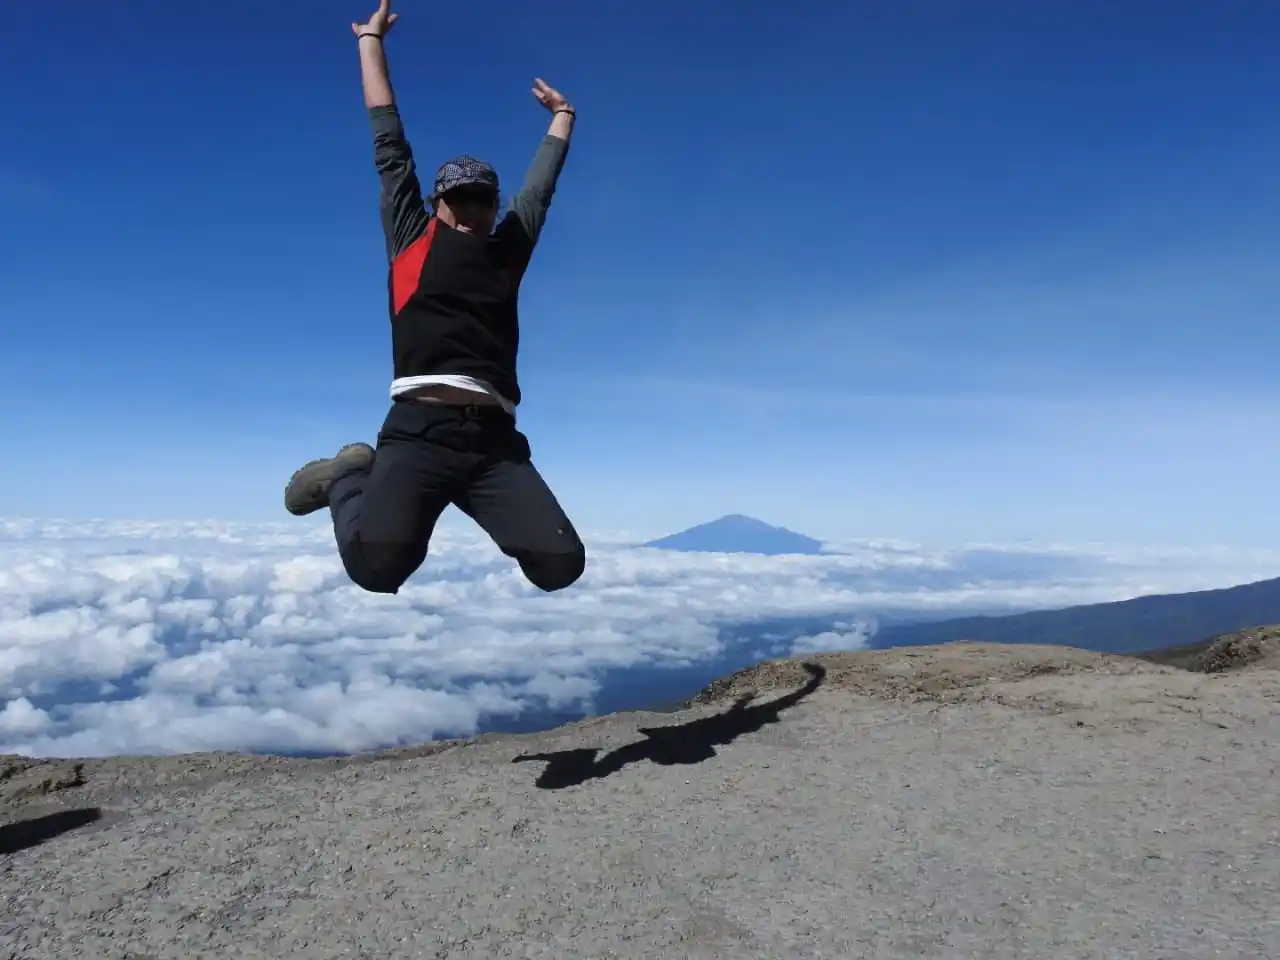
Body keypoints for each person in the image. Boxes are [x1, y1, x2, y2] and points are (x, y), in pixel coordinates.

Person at [283, 0, 586, 596]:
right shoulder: (410, 239)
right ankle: (348, 474)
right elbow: (388, 141)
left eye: (484, 200)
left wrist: (564, 118)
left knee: (560, 565)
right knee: (378, 569)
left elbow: (541, 190)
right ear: (438, 204)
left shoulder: (508, 248)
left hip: (494, 445)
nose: (474, 210)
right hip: (418, 430)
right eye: (461, 199)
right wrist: (370, 43)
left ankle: (398, 487)